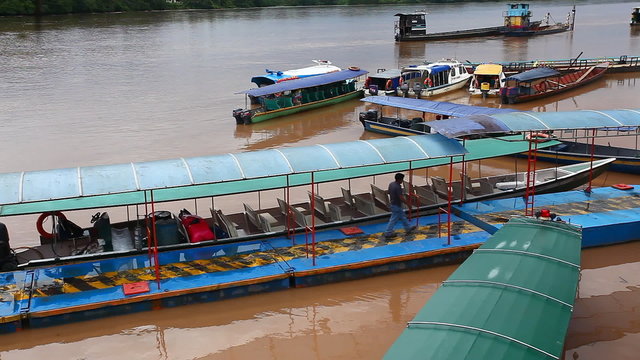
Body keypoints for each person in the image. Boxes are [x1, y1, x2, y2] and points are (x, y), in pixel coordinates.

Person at [384, 173, 417, 238]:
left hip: (393, 203)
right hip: (396, 205)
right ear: (400, 179)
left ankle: (408, 228)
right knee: (393, 219)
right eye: (402, 179)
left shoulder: (391, 184)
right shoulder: (398, 186)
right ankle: (388, 232)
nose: (402, 181)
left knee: (402, 216)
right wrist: (408, 204)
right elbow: (401, 197)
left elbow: (388, 192)